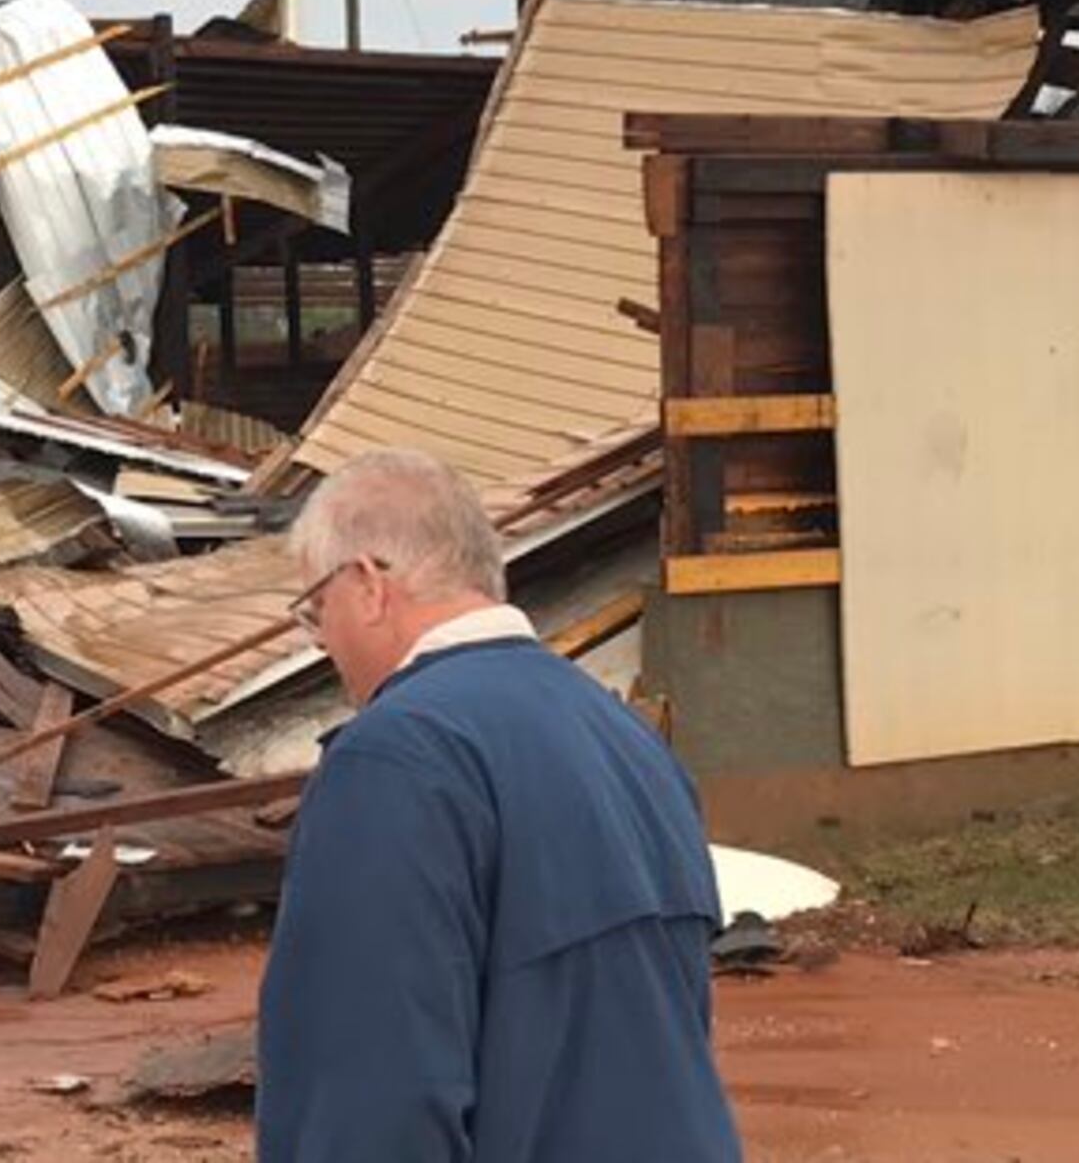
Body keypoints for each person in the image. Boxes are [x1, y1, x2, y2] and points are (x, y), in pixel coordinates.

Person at [254, 449, 743, 1162]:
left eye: (315, 611)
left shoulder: (395, 759)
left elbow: (371, 1092)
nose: (323, 641)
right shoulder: (628, 741)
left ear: (366, 585)